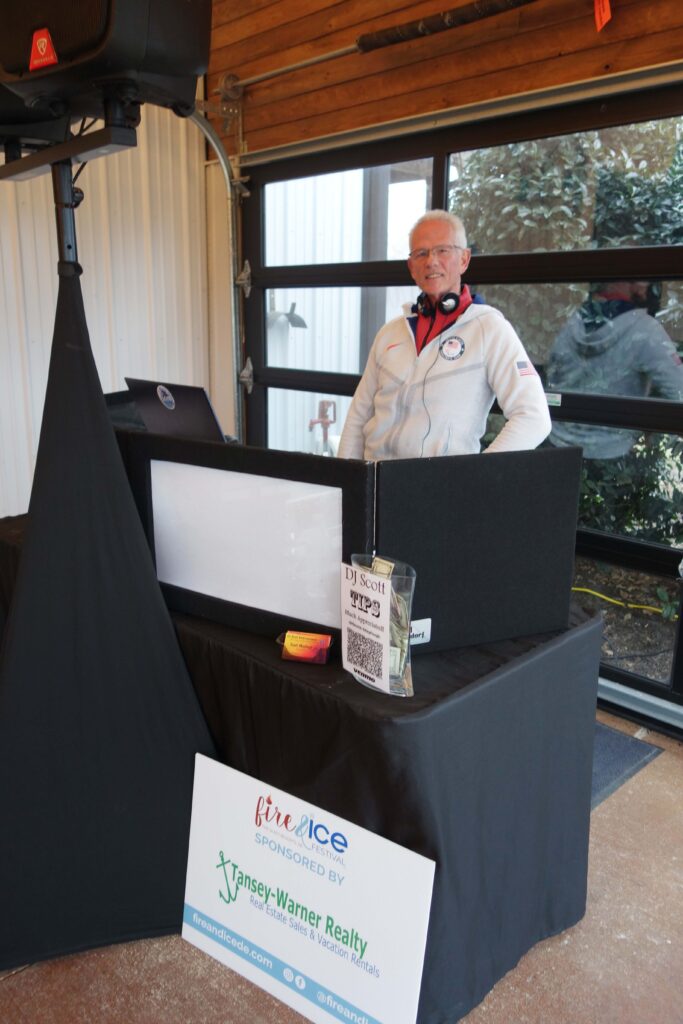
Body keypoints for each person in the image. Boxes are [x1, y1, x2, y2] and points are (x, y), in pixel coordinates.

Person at [338, 210, 551, 460]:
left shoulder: (489, 329)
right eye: (421, 253)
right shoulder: (390, 333)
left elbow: (534, 417)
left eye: (442, 250)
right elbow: (358, 418)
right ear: (411, 267)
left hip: (440, 490)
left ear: (464, 259)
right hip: (374, 484)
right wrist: (346, 484)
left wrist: (473, 476)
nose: (431, 261)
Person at [547, 280, 683, 458]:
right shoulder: (645, 329)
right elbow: (679, 393)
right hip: (612, 456)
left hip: (558, 446)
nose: (648, 285)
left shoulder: (572, 321)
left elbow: (552, 378)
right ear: (631, 282)